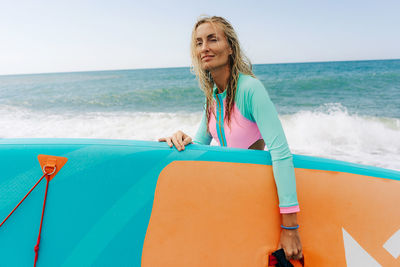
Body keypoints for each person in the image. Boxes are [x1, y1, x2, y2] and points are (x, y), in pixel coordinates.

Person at [158, 16, 302, 260]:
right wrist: (181, 138)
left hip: (259, 199)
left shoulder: (250, 89)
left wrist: (290, 227)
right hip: (234, 199)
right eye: (199, 42)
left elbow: (280, 152)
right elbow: (200, 147)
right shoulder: (213, 97)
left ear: (230, 47)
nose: (204, 48)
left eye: (212, 39)